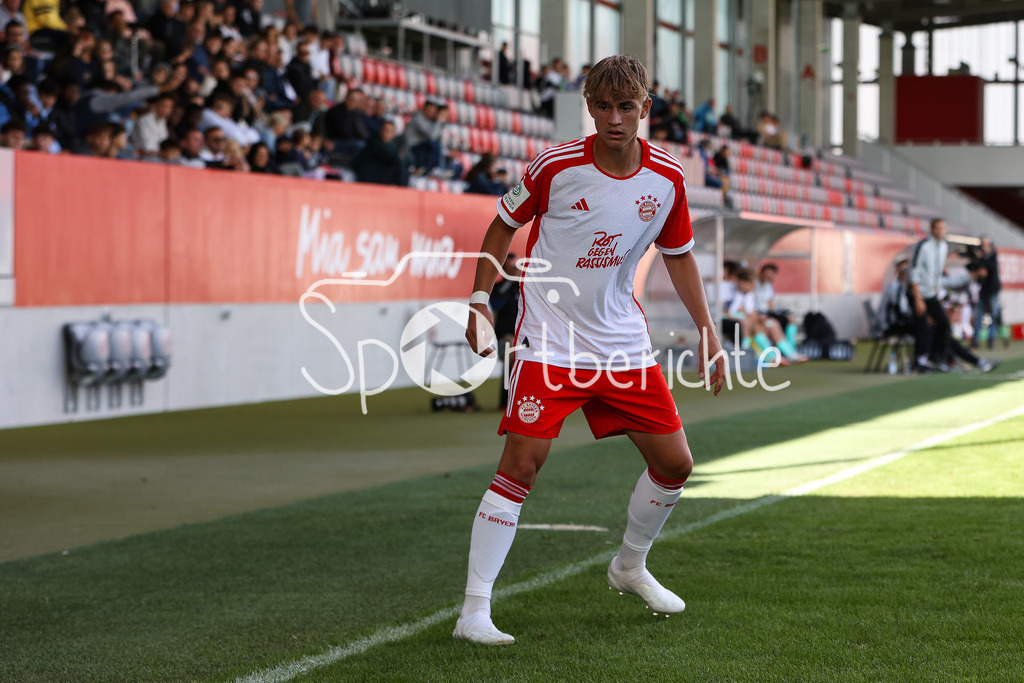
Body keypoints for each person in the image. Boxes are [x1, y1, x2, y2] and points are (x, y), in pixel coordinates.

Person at [456, 54, 725, 645]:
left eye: (624, 107)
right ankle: (474, 609)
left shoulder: (668, 178)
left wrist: (708, 330)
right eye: (600, 106)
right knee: (521, 466)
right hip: (550, 339)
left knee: (675, 464)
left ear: (644, 109)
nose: (612, 118)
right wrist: (478, 299)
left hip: (622, 343)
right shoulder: (556, 166)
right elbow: (503, 224)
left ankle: (630, 565)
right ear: (589, 108)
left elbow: (678, 256)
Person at [909, 218, 998, 373]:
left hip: (930, 294)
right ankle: (921, 361)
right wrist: (917, 297)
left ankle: (938, 359)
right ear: (931, 229)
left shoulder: (943, 247)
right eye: (938, 228)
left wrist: (971, 276)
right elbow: (914, 271)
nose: (941, 231)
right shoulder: (923, 246)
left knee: (943, 324)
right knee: (924, 327)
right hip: (918, 293)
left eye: (943, 228)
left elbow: (939, 280)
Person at [488, 252, 521, 410]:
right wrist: (510, 280)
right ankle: (505, 402)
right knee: (510, 361)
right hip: (507, 334)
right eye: (510, 267)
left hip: (525, 334)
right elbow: (496, 304)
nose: (515, 269)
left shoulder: (524, 285)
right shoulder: (499, 287)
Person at [969, 237, 1006, 350]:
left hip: (992, 290)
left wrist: (981, 260)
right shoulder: (980, 258)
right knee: (979, 314)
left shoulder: (992, 256)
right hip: (983, 290)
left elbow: (989, 268)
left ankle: (991, 339)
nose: (983, 246)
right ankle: (975, 339)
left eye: (985, 244)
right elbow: (973, 268)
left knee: (993, 314)